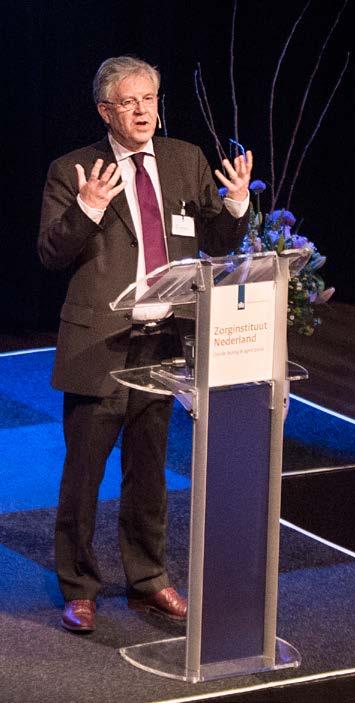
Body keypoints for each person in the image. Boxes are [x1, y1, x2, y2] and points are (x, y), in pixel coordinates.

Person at [37, 55, 253, 633]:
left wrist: (234, 205)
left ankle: (148, 580)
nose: (142, 111)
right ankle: (80, 588)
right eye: (129, 102)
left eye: (149, 100)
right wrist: (88, 208)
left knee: (150, 472)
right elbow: (51, 253)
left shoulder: (185, 160)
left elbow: (215, 237)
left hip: (163, 342)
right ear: (106, 111)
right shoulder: (75, 169)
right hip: (101, 344)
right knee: (84, 476)